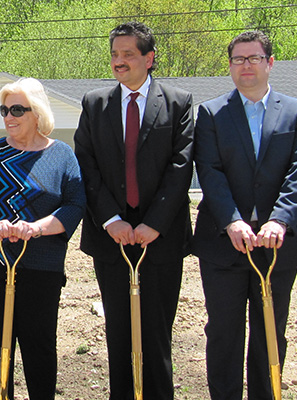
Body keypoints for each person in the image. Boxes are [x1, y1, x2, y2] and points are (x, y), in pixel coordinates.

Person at [73, 21, 194, 400]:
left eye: (128, 54)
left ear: (149, 58)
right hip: (112, 239)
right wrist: (111, 220)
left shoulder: (178, 102)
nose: (119, 61)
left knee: (156, 334)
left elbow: (181, 166)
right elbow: (86, 165)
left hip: (162, 240)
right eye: (114, 54)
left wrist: (153, 225)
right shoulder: (95, 104)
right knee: (119, 334)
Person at [193, 30, 297, 400]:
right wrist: (232, 219)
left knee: (270, 334)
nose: (246, 65)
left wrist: (280, 218)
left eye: (254, 58)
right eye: (238, 59)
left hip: (276, 245)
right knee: (223, 333)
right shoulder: (212, 113)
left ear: (270, 63)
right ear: (230, 66)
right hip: (223, 243)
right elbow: (210, 171)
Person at [0, 78, 85, 400]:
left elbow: (75, 205)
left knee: (39, 345)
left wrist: (36, 228)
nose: (8, 116)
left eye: (17, 109)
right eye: (4, 109)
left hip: (41, 265)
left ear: (37, 112)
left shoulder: (62, 155)